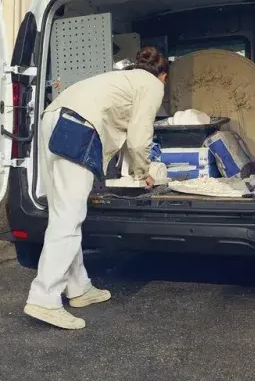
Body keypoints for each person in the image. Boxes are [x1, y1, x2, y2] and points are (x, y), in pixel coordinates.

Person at [24, 46, 169, 329]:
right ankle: (44, 297)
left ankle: (78, 287)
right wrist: (145, 172)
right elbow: (140, 138)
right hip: (79, 127)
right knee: (69, 217)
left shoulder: (123, 79)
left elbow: (128, 135)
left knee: (63, 212)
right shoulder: (152, 85)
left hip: (54, 119)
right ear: (163, 75)